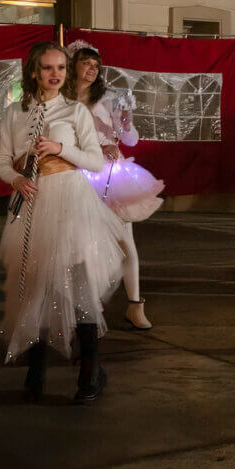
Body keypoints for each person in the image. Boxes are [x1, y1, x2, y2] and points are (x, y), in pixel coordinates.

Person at [0, 41, 126, 403]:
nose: (55, 75)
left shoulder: (74, 112)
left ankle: (89, 374)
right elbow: (1, 160)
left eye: (61, 68)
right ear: (34, 71)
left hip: (71, 203)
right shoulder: (13, 115)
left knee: (79, 285)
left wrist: (60, 149)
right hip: (33, 201)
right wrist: (16, 179)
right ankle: (35, 373)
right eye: (48, 68)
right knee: (36, 285)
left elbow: (96, 162)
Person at [65, 42, 164, 331]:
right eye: (86, 64)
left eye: (96, 66)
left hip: (109, 175)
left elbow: (130, 139)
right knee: (81, 245)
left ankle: (135, 305)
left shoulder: (108, 99)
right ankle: (85, 307)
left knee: (125, 242)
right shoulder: (62, 100)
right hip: (77, 173)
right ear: (73, 66)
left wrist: (123, 124)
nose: (92, 70)